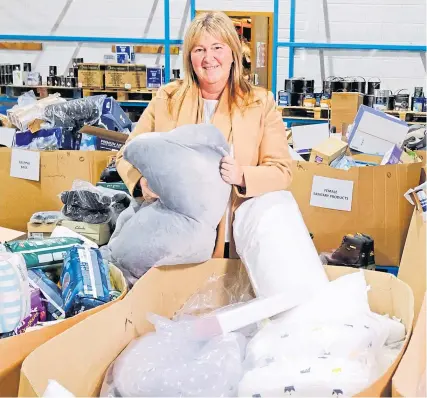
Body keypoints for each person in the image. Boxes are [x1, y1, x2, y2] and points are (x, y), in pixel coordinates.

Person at [116, 11, 293, 258]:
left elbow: (282, 171)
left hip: (233, 238)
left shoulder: (260, 103)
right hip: (171, 235)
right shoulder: (167, 98)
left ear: (233, 52)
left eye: (217, 47)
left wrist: (243, 175)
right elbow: (127, 153)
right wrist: (140, 183)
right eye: (199, 50)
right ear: (190, 57)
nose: (208, 58)